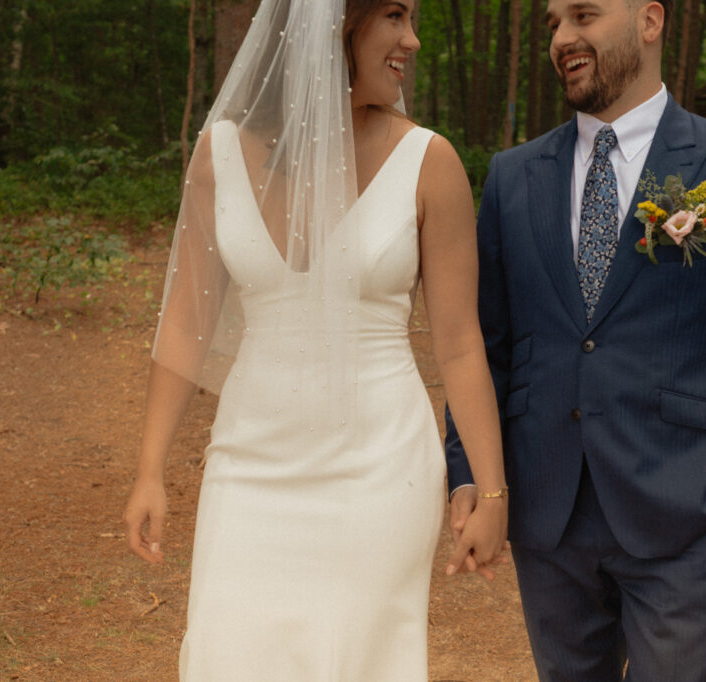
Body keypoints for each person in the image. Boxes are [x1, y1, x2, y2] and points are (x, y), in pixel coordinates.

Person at [122, 0, 507, 678]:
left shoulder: (430, 163)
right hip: (250, 465)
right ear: (337, 23)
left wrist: (493, 491)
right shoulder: (219, 157)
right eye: (394, 14)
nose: (411, 40)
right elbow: (185, 322)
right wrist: (150, 470)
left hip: (381, 472)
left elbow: (459, 345)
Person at [445, 0, 706, 679]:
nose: (562, 37)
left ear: (650, 21)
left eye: (583, 14)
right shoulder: (511, 178)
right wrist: (468, 470)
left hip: (689, 512)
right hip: (547, 511)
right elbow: (484, 344)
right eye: (553, 22)